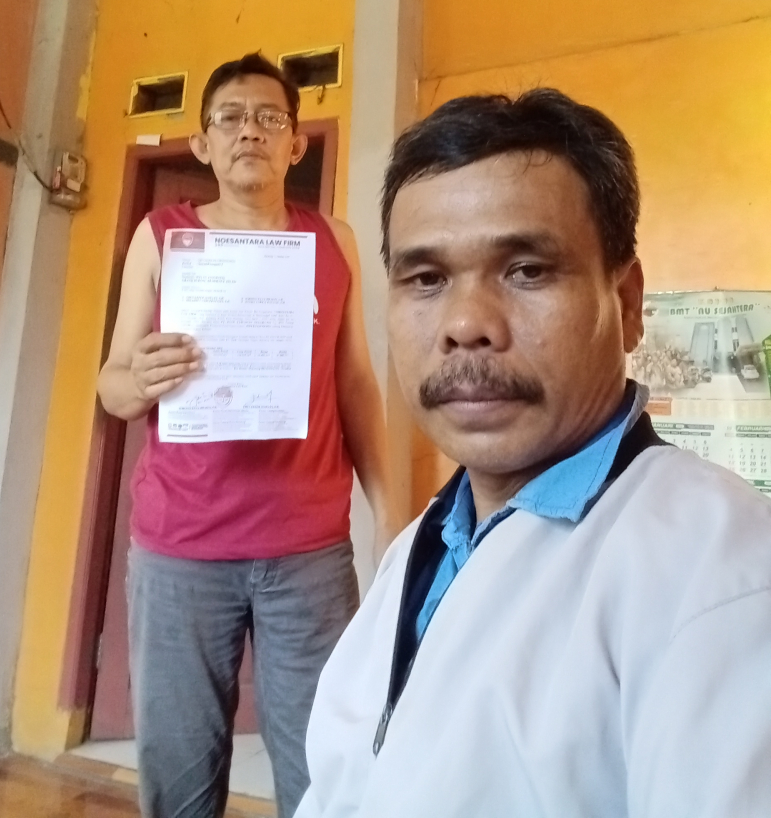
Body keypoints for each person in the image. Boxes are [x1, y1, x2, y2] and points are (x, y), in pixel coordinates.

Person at [294, 90, 771, 818]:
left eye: (527, 270)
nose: (465, 324)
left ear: (628, 302)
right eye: (426, 279)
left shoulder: (722, 571)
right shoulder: (424, 546)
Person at [98, 53, 397, 818]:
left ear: (296, 143)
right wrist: (143, 378)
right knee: (179, 772)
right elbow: (113, 386)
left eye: (269, 117)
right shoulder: (161, 236)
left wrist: (393, 519)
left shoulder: (335, 241)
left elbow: (356, 385)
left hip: (309, 553)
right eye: (230, 118)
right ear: (203, 144)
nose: (250, 132)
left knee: (323, 769)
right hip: (180, 549)